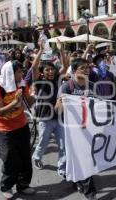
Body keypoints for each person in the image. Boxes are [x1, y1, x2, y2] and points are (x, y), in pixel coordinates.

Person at [0, 60, 35, 199]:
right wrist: (15, 102)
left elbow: (28, 103)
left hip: (22, 127)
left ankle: (23, 185)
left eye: (22, 71)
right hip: (5, 131)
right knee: (10, 160)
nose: (22, 74)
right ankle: (6, 186)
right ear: (10, 73)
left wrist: (33, 96)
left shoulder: (21, 85)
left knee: (25, 158)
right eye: (19, 72)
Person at [55, 58, 97, 200]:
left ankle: (78, 181)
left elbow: (97, 105)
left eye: (88, 68)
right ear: (74, 71)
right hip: (72, 131)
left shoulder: (91, 86)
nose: (87, 70)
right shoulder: (67, 87)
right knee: (81, 159)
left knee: (86, 158)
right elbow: (57, 109)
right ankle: (90, 192)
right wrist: (62, 102)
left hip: (88, 129)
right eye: (83, 68)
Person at [30, 39, 68, 178]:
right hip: (45, 118)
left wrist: (61, 50)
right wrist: (40, 50)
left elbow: (65, 65)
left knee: (63, 145)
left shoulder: (58, 79)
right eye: (47, 69)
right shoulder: (39, 81)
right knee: (42, 143)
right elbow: (34, 68)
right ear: (43, 71)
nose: (50, 71)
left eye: (52, 69)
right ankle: (37, 157)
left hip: (58, 117)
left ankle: (62, 168)